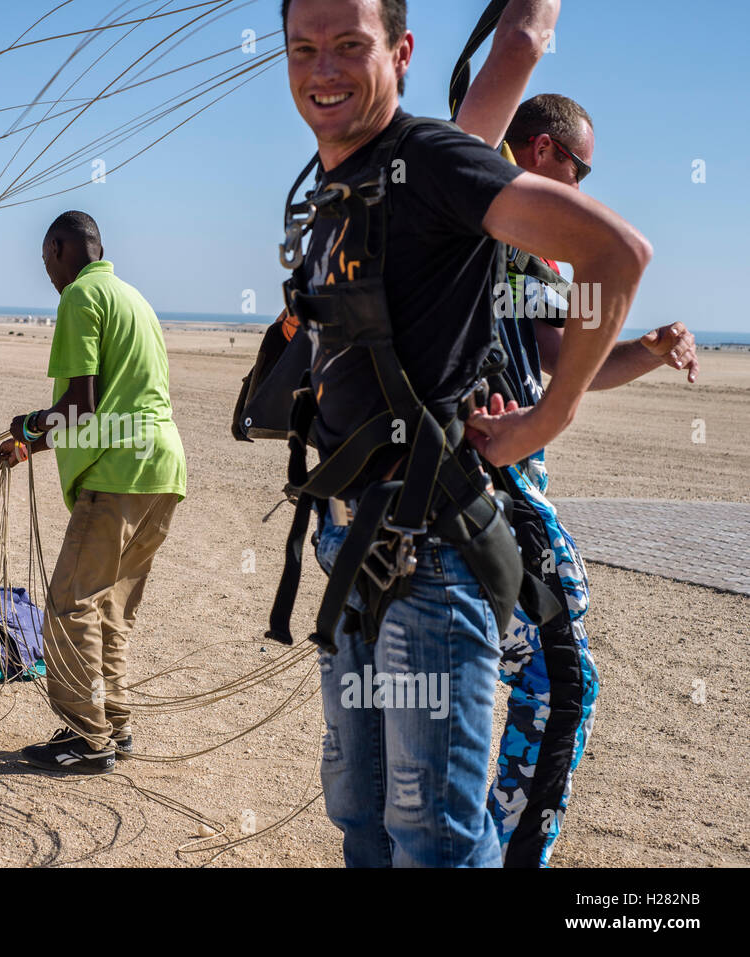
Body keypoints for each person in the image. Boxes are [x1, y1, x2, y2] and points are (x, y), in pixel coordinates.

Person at [253, 0, 651, 866]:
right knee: (361, 818)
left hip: (429, 558)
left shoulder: (433, 159)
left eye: (350, 46)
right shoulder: (344, 182)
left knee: (430, 839)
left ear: (401, 52)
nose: (323, 69)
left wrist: (548, 418)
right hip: (350, 550)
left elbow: (615, 254)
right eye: (304, 48)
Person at [452, 92, 699, 866]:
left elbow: (566, 359)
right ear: (538, 149)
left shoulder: (526, 257)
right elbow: (494, 81)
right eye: (579, 167)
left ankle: (463, 844)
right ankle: (501, 854)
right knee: (562, 681)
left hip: (497, 480)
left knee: (486, 675)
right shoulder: (478, 209)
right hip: (487, 485)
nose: (584, 187)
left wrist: (650, 349)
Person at [0, 211, 187, 774]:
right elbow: (113, 409)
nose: (48, 274)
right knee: (110, 610)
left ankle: (86, 735)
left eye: (47, 260)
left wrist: (28, 425)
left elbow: (80, 406)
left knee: (70, 604)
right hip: (161, 472)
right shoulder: (135, 301)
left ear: (60, 248)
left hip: (116, 477)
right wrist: (26, 448)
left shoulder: (79, 297)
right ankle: (114, 726)